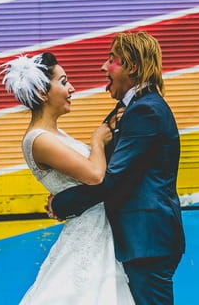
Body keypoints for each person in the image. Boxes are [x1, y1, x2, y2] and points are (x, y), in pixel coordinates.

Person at [47, 31, 185, 305]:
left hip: (146, 240)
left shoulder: (146, 111)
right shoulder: (133, 108)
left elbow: (114, 179)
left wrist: (62, 203)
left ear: (132, 67)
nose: (103, 67)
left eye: (112, 60)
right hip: (141, 239)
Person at [0, 52, 135, 305]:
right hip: (89, 235)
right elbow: (95, 175)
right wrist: (97, 140)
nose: (71, 88)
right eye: (63, 82)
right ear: (42, 93)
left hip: (99, 231)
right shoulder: (39, 140)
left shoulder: (55, 134)